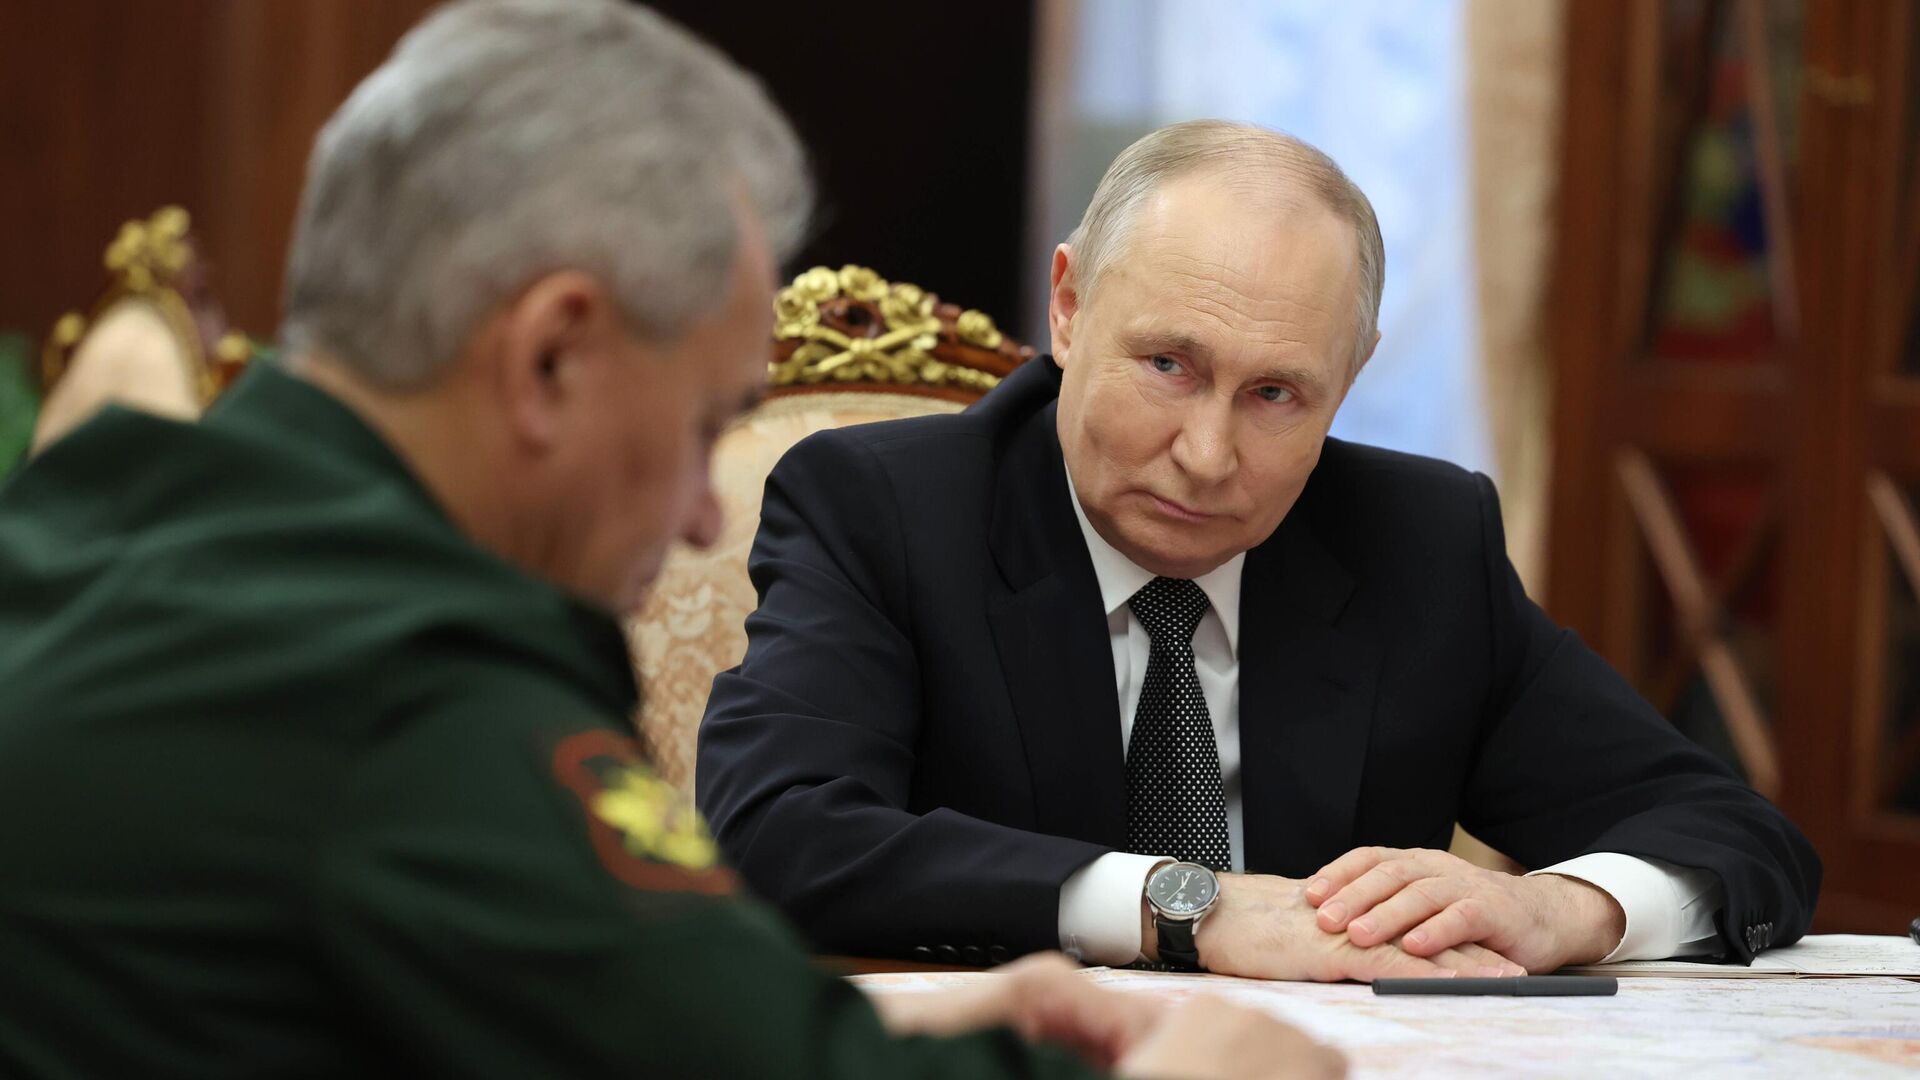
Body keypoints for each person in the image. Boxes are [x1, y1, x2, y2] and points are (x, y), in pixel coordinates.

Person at [0, 6, 1342, 1077]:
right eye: (706, 424)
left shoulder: (102, 517)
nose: (706, 512)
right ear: (551, 357)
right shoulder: (404, 691)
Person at [697, 120, 1822, 981]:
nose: (1206, 455)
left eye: (1276, 394)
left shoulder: (1419, 543)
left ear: (1352, 375)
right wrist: (1186, 907)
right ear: (1070, 307)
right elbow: (774, 832)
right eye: (1169, 366)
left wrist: (1562, 907)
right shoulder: (887, 510)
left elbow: (1738, 836)